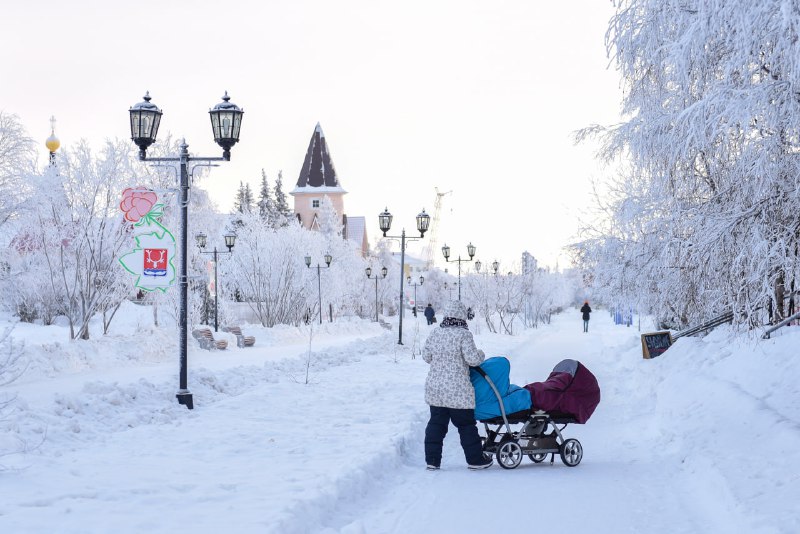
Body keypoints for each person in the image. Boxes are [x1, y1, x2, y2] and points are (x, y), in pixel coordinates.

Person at [422, 300, 493, 471]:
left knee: (436, 425)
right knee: (466, 426)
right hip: (458, 392)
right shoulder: (463, 334)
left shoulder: (436, 333)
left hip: (436, 390)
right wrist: (481, 354)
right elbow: (472, 359)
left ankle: (432, 460)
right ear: (462, 315)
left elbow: (426, 356)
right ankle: (475, 460)